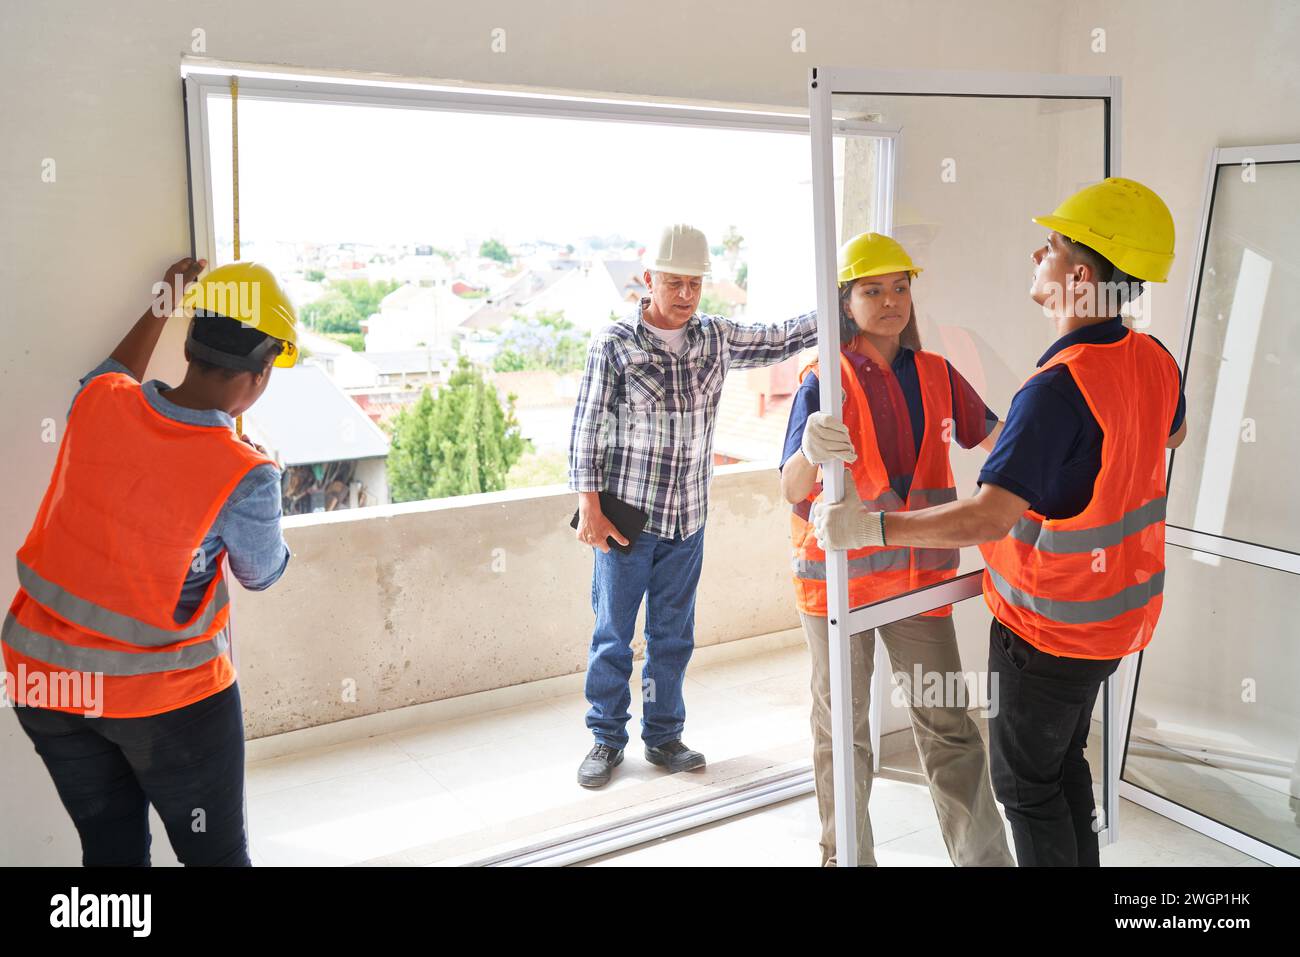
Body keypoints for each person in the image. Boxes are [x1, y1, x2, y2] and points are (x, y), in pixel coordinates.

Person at [813, 178, 1188, 866]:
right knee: (1061, 769)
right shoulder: (1155, 358)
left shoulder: (1057, 388)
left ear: (1079, 275)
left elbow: (989, 514)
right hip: (1117, 622)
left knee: (1026, 788)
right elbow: (1173, 434)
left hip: (1051, 630)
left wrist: (876, 529)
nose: (1036, 253)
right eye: (874, 288)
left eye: (1050, 245)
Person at [3, 258, 301, 866]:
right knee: (214, 857)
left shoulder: (101, 404)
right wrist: (268, 478)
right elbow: (262, 572)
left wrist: (164, 299)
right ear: (264, 372)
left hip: (42, 679)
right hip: (163, 701)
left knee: (110, 853)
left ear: (188, 346)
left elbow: (113, 371)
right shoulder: (244, 473)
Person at [787, 232, 1013, 867]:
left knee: (950, 729)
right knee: (843, 736)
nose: (890, 300)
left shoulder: (938, 374)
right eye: (871, 289)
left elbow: (1000, 443)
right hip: (840, 585)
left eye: (900, 287)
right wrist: (809, 451)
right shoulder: (823, 381)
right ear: (845, 301)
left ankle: (985, 861)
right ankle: (847, 860)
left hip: (919, 584)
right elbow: (791, 489)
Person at [569, 223, 818, 788]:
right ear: (649, 278)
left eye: (695, 284)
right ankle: (606, 739)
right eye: (675, 282)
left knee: (673, 637)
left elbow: (778, 337)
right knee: (613, 634)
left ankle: (662, 736)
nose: (685, 295)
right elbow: (587, 430)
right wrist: (590, 507)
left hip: (688, 521)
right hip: (626, 521)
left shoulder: (715, 337)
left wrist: (842, 302)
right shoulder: (615, 344)